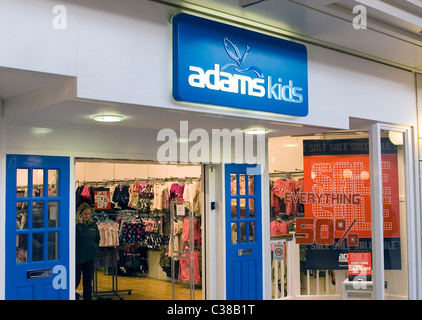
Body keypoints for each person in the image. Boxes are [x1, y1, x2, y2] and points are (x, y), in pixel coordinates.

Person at [75, 202, 100, 300]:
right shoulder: (76, 225)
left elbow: (97, 238)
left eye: (89, 214)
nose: (87, 216)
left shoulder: (93, 225)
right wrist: (80, 225)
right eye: (85, 214)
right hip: (78, 257)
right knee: (75, 281)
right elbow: (74, 238)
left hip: (89, 257)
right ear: (80, 214)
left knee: (88, 282)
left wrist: (95, 248)